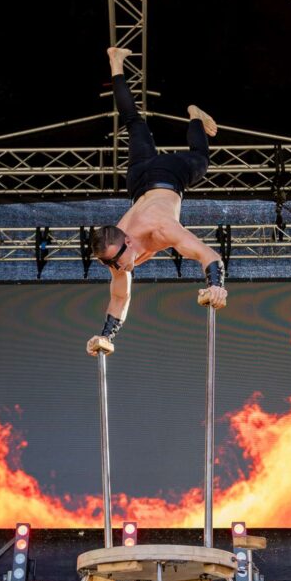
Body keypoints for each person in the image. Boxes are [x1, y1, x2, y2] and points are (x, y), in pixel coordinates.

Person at [86, 47, 228, 357]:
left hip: (167, 176)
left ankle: (194, 116)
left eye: (115, 262)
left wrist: (216, 285)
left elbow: (210, 256)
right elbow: (120, 299)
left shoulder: (161, 229)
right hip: (139, 182)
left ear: (127, 241)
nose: (116, 268)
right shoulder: (117, 254)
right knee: (132, 122)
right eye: (110, 265)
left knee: (201, 159)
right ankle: (115, 60)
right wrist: (105, 336)